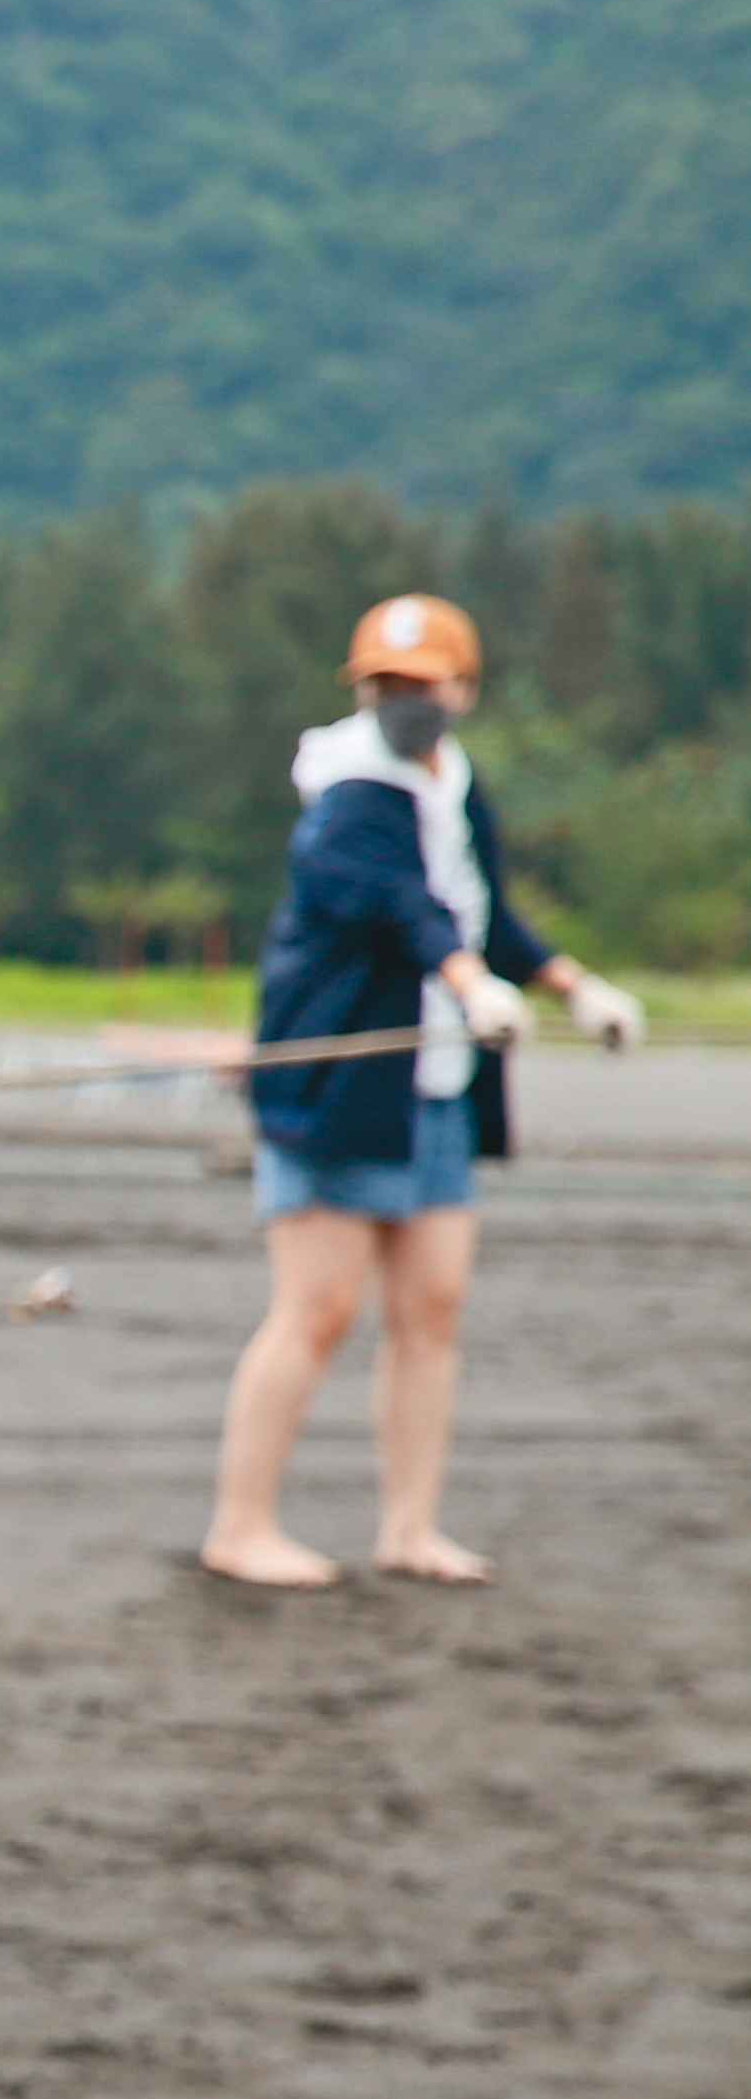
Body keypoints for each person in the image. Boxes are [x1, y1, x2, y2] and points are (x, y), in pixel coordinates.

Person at [199, 591, 641, 1591]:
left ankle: (410, 1527)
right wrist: (468, 984)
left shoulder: (455, 782)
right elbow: (404, 910)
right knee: (317, 1308)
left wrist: (572, 987)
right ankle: (240, 1526)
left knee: (431, 1304)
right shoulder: (349, 791)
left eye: (422, 683)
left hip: (433, 1088)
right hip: (337, 1080)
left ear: (463, 689)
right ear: (362, 691)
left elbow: (480, 911)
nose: (405, 701)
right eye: (385, 685)